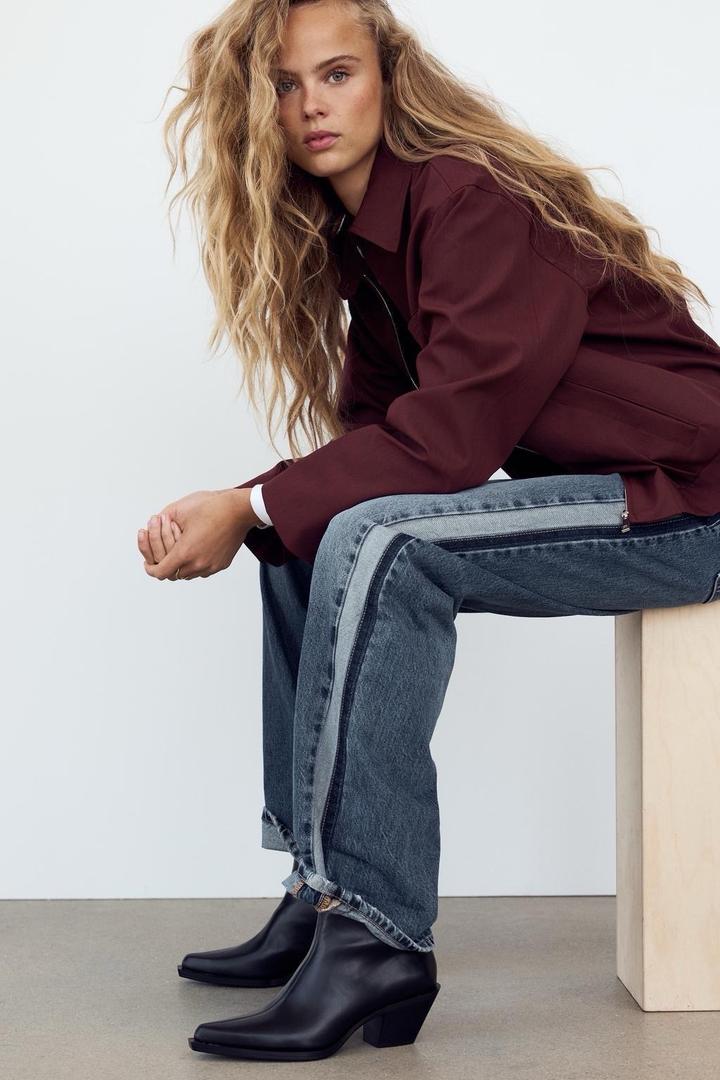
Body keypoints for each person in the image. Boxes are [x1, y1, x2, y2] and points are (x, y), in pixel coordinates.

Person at [137, 0, 720, 1062]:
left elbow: (449, 439)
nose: (311, 106)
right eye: (284, 85)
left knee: (382, 542)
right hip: (624, 490)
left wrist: (248, 504)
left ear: (389, 78)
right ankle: (323, 890)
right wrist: (253, 509)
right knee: (313, 537)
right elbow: (378, 440)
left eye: (338, 74)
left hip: (691, 500)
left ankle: (377, 935)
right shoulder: (371, 243)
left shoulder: (467, 197)